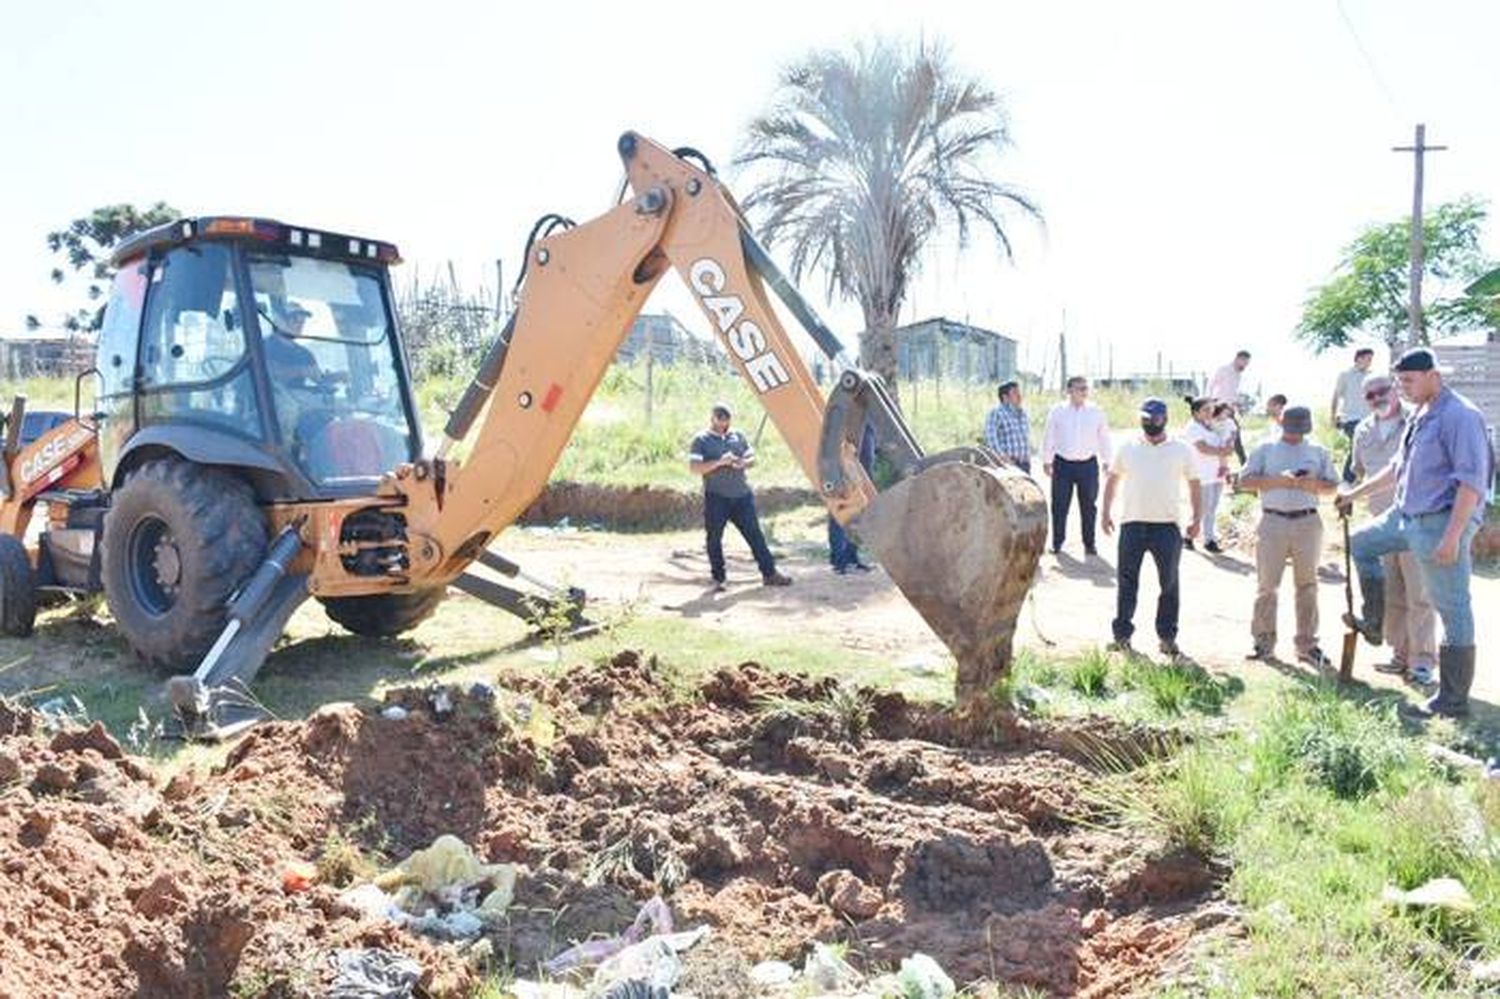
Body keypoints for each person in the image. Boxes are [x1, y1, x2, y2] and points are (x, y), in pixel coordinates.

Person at [1339, 347, 1494, 718]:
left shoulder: (1460, 415)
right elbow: (1398, 467)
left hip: (1440, 521)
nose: (1402, 388)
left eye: (1408, 381)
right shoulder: (1421, 413)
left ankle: (1452, 699)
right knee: (1360, 543)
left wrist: (1453, 537)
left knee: (1452, 607)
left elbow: (1471, 483)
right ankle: (1374, 623)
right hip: (1403, 515)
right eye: (1399, 382)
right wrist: (1354, 494)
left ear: (1432, 375)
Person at [1349, 372, 1437, 685]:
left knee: (1421, 594)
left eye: (1381, 391)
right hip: (1380, 524)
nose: (1377, 398)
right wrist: (1347, 496)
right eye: (1370, 395)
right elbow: (1358, 472)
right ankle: (1400, 655)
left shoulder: (1418, 421)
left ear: (1395, 389)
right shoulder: (1362, 430)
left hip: (1415, 521)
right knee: (1392, 593)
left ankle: (1423, 660)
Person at [1237, 405, 1339, 668]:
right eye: (1291, 429)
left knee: (1307, 585)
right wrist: (1278, 480)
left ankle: (1307, 645)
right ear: (1281, 423)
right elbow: (1244, 481)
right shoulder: (1265, 449)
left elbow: (1332, 486)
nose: (1294, 435)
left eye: (1299, 430)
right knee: (1267, 585)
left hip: (1308, 519)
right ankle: (1263, 642)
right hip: (1273, 519)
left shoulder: (1318, 451)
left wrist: (1310, 483)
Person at [1101, 398, 1202, 658]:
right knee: (1126, 582)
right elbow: (1112, 479)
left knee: (1169, 584)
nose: (1149, 423)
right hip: (1132, 525)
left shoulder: (1181, 449)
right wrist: (1105, 512)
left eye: (1154, 419)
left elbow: (1194, 484)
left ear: (1165, 419)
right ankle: (1122, 636)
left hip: (1167, 528)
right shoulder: (1128, 447)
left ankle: (1167, 638)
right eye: (1145, 418)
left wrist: (1196, 518)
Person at [688, 404, 793, 591]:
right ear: (712, 419)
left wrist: (742, 463)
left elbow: (752, 457)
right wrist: (720, 462)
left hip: (742, 496)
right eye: (720, 421)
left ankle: (770, 574)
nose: (724, 426)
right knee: (714, 538)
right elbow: (695, 468)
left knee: (755, 535)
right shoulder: (701, 440)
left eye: (726, 422)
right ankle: (718, 579)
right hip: (717, 497)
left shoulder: (737, 436)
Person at [1041, 376, 1113, 555]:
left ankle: (1089, 544)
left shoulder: (1096, 411)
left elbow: (1104, 437)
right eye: (1079, 388)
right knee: (1059, 505)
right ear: (1069, 391)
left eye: (1085, 388)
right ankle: (1057, 543)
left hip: (1088, 465)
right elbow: (1049, 435)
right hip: (1063, 464)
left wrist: (1107, 461)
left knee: (1089, 506)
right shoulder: (1057, 411)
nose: (1083, 391)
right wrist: (1047, 460)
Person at [1180, 396, 1235, 553]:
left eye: (1211, 409)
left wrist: (1226, 463)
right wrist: (1224, 451)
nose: (1211, 412)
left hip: (1216, 473)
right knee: (1203, 508)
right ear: (1196, 412)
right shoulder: (1192, 428)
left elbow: (1225, 440)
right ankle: (1196, 537)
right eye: (1206, 409)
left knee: (1211, 508)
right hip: (1201, 475)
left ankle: (1203, 538)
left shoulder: (1211, 425)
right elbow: (1202, 448)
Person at [828, 422, 876, 574]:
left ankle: (851, 555)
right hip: (844, 426)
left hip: (866, 426)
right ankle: (839, 557)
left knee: (860, 497)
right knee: (842, 495)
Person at [1331, 347, 1376, 483]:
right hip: (1351, 419)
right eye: (1368, 359)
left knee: (1367, 448)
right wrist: (1333, 416)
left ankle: (1359, 478)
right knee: (1357, 446)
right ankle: (1347, 480)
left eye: (1371, 359)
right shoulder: (1345, 375)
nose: (1370, 362)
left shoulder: (1372, 376)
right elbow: (1336, 396)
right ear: (1358, 358)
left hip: (1370, 419)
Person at [985, 380, 1032, 474]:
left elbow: (1025, 438)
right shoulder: (996, 413)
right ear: (1005, 397)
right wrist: (1003, 458)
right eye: (1015, 393)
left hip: (1024, 464)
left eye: (1019, 392)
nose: (1019, 396)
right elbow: (991, 438)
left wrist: (1027, 457)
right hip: (1007, 464)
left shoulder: (1023, 413)